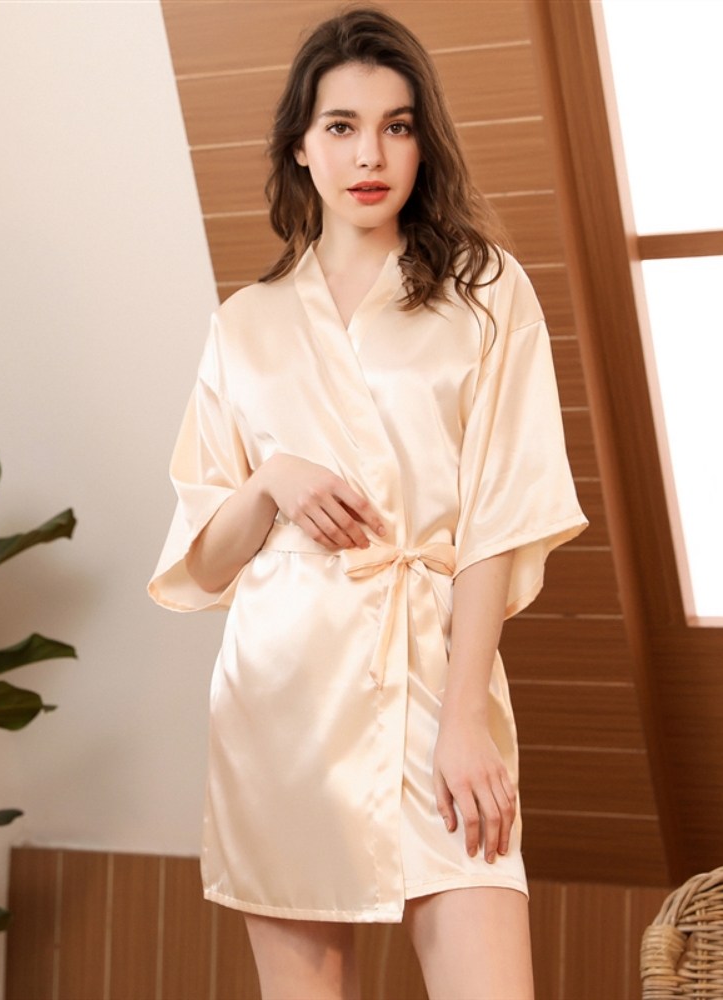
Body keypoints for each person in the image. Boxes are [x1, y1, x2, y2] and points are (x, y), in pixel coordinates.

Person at [149, 7, 587, 999]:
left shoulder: (486, 293)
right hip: (283, 700)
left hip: (437, 679)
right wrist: (270, 481)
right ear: (300, 146)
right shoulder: (245, 324)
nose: (370, 154)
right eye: (341, 126)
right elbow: (205, 562)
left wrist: (465, 718)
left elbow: (501, 515)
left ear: (424, 143)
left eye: (397, 125)